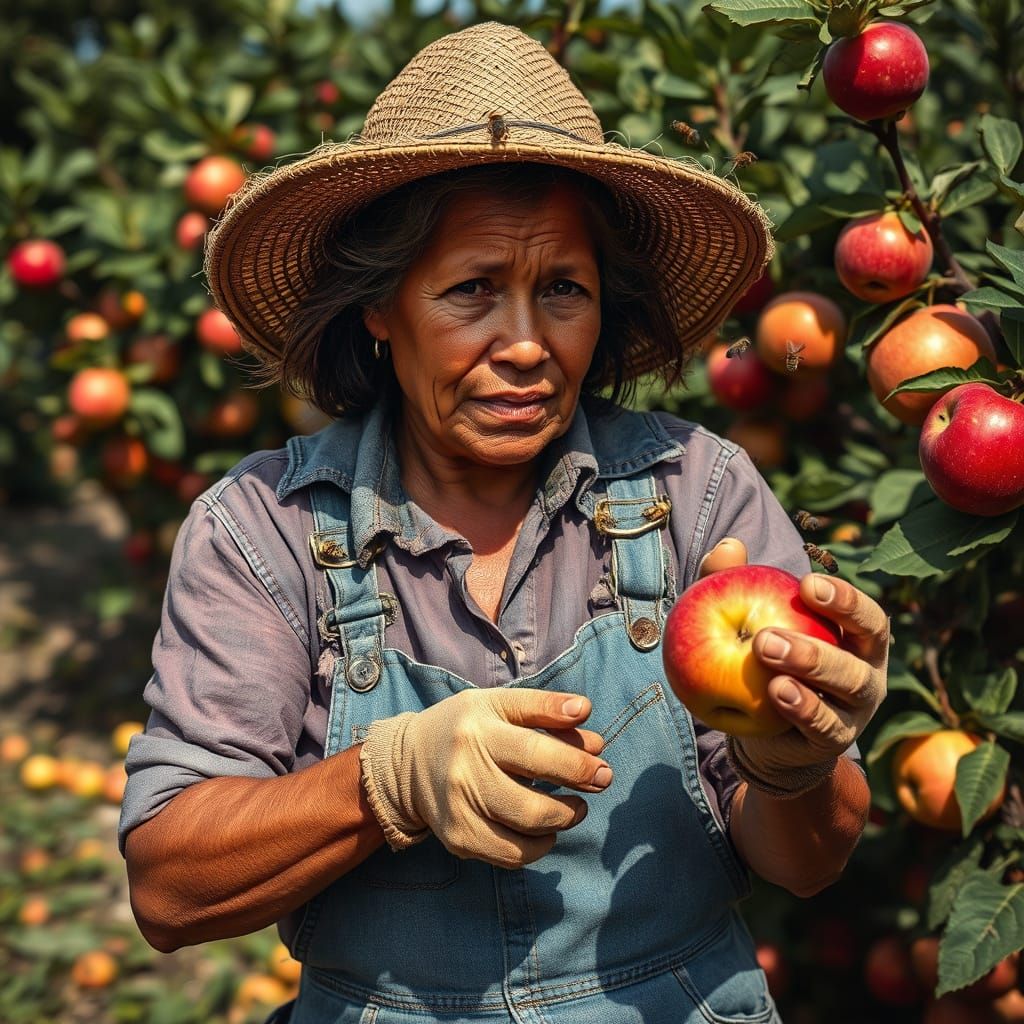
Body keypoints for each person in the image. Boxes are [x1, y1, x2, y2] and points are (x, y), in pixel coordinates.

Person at [120, 22, 887, 1024]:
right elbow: (169, 890)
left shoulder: (696, 492)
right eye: (473, 290)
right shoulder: (264, 531)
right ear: (380, 307)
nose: (525, 344)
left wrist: (794, 764)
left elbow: (807, 862)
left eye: (561, 289)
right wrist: (387, 781)